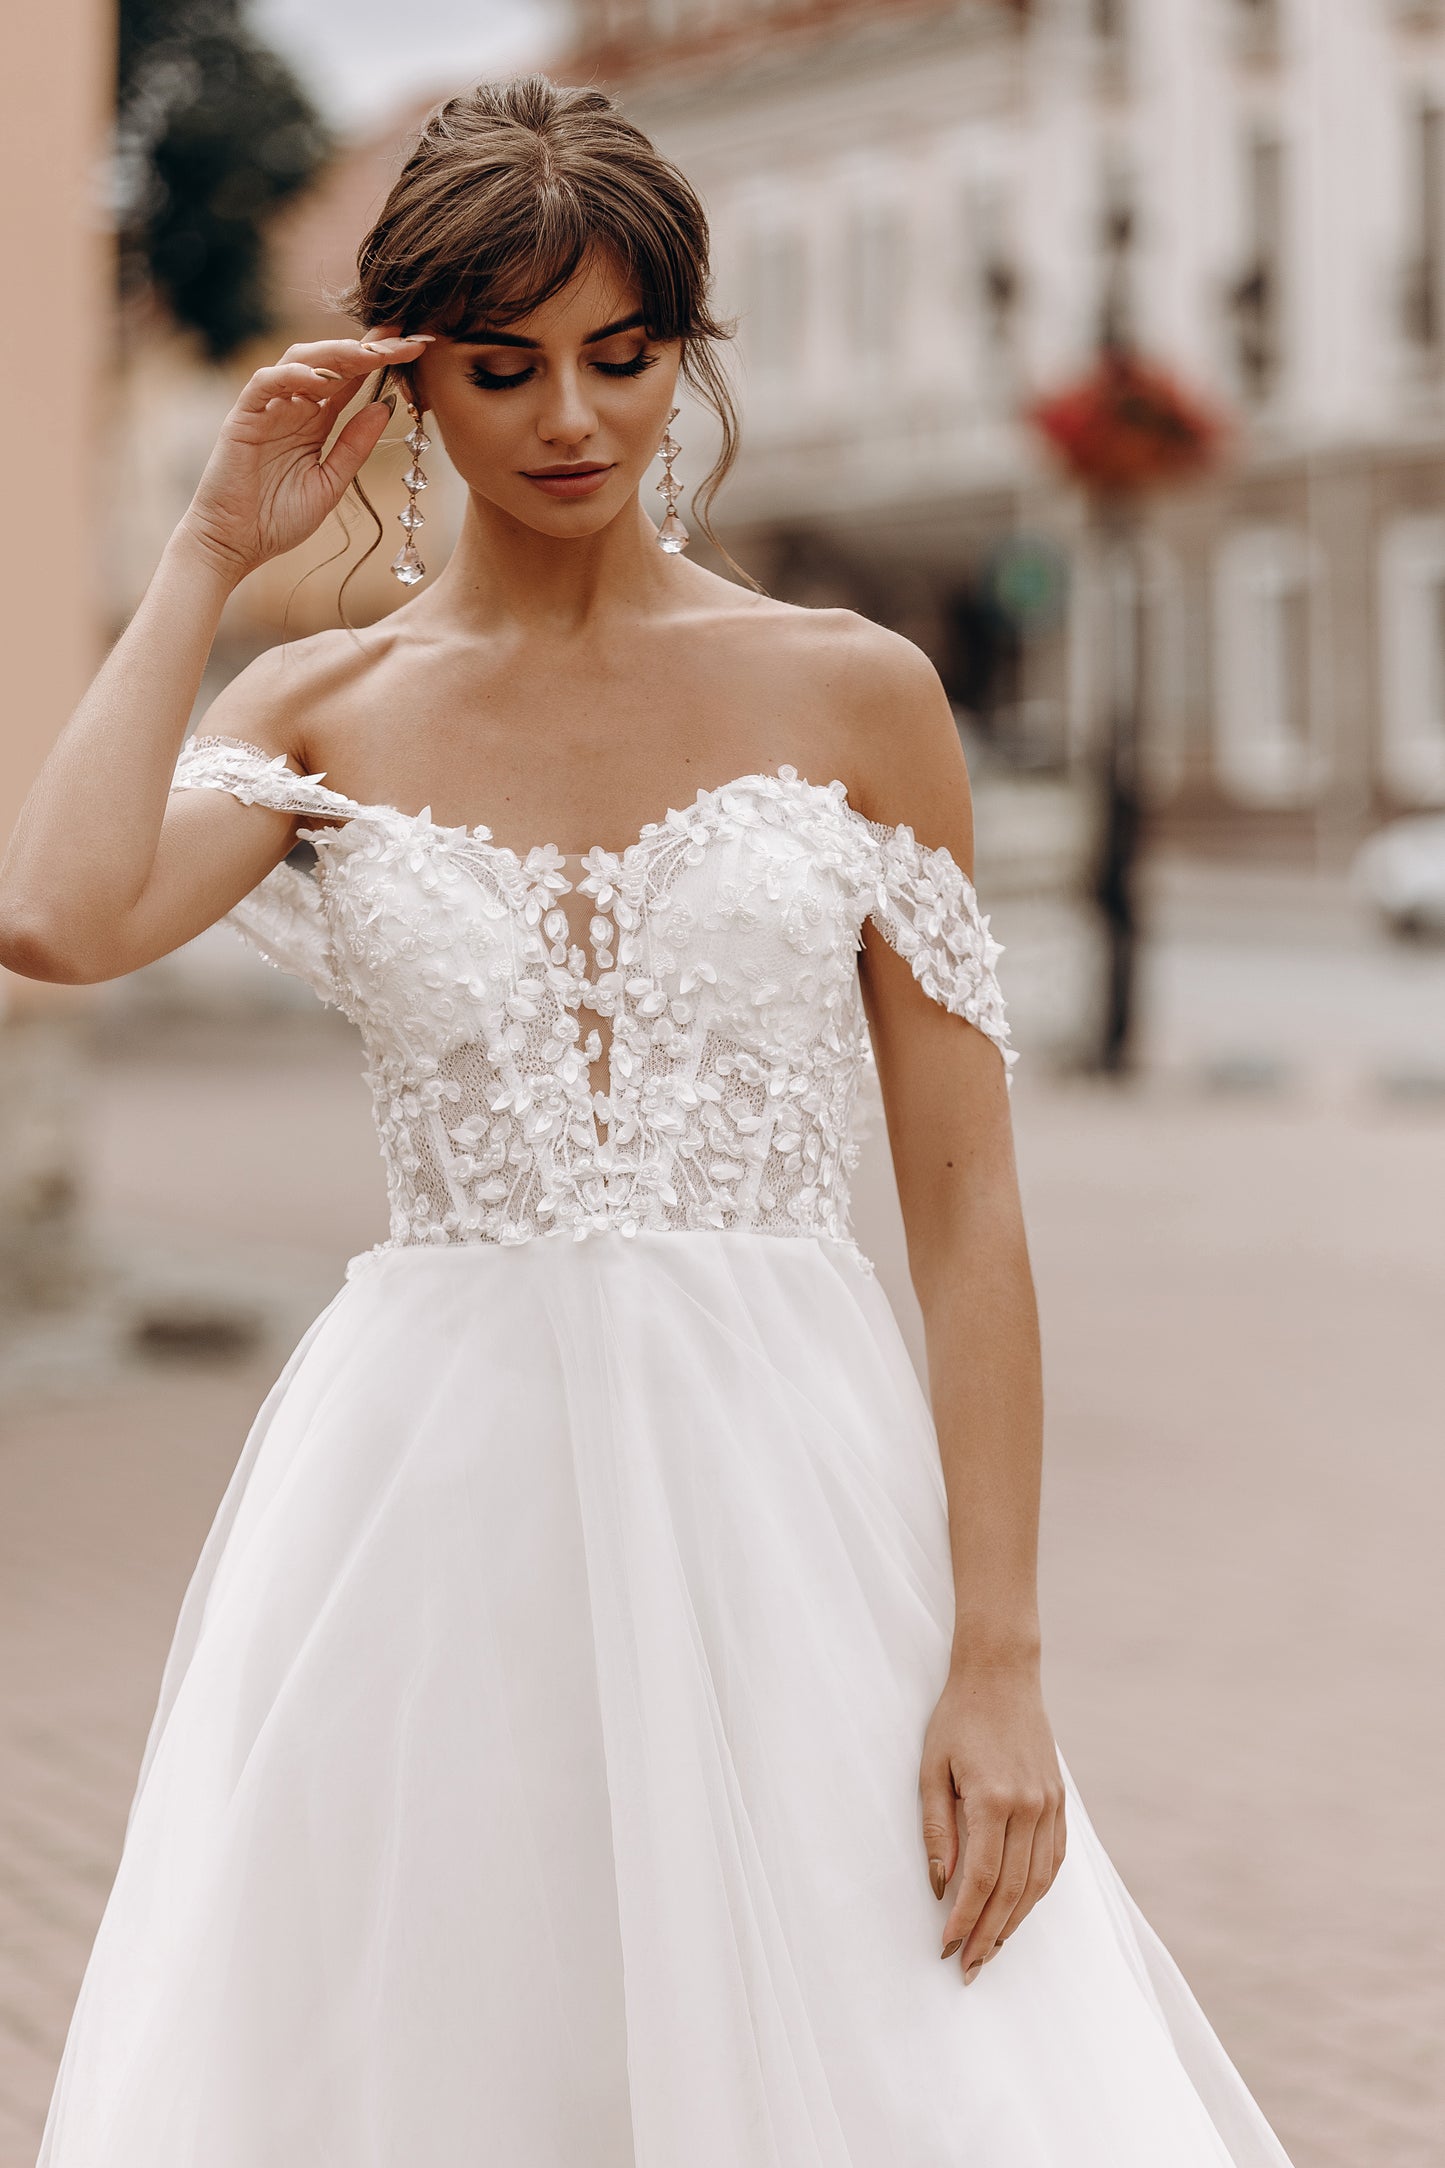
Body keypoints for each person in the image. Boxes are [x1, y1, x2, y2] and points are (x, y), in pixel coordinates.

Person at [2, 75, 1294, 2168]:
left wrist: (999, 1658)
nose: (570, 418)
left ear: (686, 358)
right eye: (502, 367)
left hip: (783, 1488)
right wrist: (207, 550)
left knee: (873, 2039)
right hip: (426, 1508)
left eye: (622, 355)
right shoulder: (321, 705)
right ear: (411, 382)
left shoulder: (855, 690)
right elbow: (52, 915)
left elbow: (968, 1216)